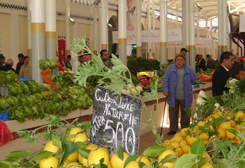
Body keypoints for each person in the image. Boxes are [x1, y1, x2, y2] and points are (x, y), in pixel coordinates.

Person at [162, 55, 197, 135]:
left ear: (184, 61)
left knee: (185, 113)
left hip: (185, 95)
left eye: (181, 60)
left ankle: (185, 129)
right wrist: (165, 90)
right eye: (177, 60)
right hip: (173, 95)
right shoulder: (170, 69)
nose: (179, 61)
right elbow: (165, 80)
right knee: (173, 113)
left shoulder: (189, 69)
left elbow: (194, 78)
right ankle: (173, 129)